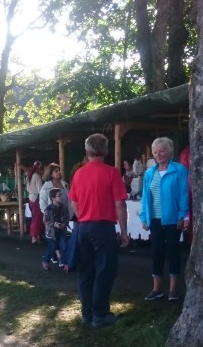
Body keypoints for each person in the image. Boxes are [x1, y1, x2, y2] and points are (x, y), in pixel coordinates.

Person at [68, 133, 129, 327]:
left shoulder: (79, 174)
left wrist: (84, 217)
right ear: (106, 150)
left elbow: (74, 203)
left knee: (86, 271)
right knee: (105, 270)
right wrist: (124, 231)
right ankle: (100, 314)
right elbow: (120, 205)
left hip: (83, 227)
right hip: (103, 227)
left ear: (87, 151)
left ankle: (87, 313)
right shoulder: (112, 173)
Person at [139, 136, 189, 301]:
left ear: (169, 152)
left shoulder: (180, 170)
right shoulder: (149, 173)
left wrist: (182, 215)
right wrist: (144, 217)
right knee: (156, 252)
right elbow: (145, 197)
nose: (158, 155)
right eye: (155, 152)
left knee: (173, 252)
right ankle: (157, 288)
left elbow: (184, 195)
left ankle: (173, 289)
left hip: (173, 219)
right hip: (155, 219)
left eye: (161, 151)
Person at [41, 188, 70, 270]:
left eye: (61, 195)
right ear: (53, 198)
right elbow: (46, 221)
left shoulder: (64, 207)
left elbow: (67, 218)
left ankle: (64, 263)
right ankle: (46, 261)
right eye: (59, 195)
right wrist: (54, 224)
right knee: (52, 248)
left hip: (61, 231)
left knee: (64, 246)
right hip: (51, 233)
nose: (61, 197)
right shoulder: (48, 209)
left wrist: (64, 224)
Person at [24, 160, 44, 243]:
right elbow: (40, 190)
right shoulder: (37, 176)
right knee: (37, 218)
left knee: (35, 217)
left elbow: (27, 188)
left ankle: (36, 236)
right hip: (36, 199)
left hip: (31, 198)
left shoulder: (29, 175)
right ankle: (34, 237)